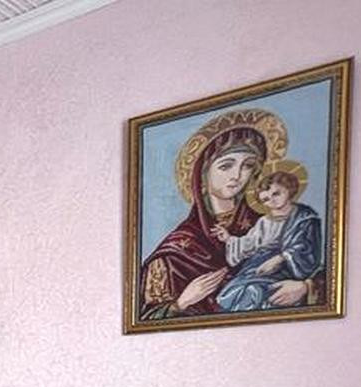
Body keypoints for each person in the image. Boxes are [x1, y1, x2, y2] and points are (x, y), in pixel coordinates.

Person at [137, 108, 313, 319]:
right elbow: (145, 319)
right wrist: (182, 302)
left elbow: (316, 267)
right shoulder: (174, 253)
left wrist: (305, 287)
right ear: (203, 174)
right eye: (226, 166)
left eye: (248, 166)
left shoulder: (272, 223)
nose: (237, 175)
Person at [212, 162, 323, 311]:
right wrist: (228, 239)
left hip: (288, 267)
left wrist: (281, 258)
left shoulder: (305, 218)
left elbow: (307, 249)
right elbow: (251, 243)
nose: (272, 200)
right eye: (266, 199)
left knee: (257, 291)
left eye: (276, 194)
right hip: (257, 265)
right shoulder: (264, 221)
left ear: (289, 190)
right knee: (235, 291)